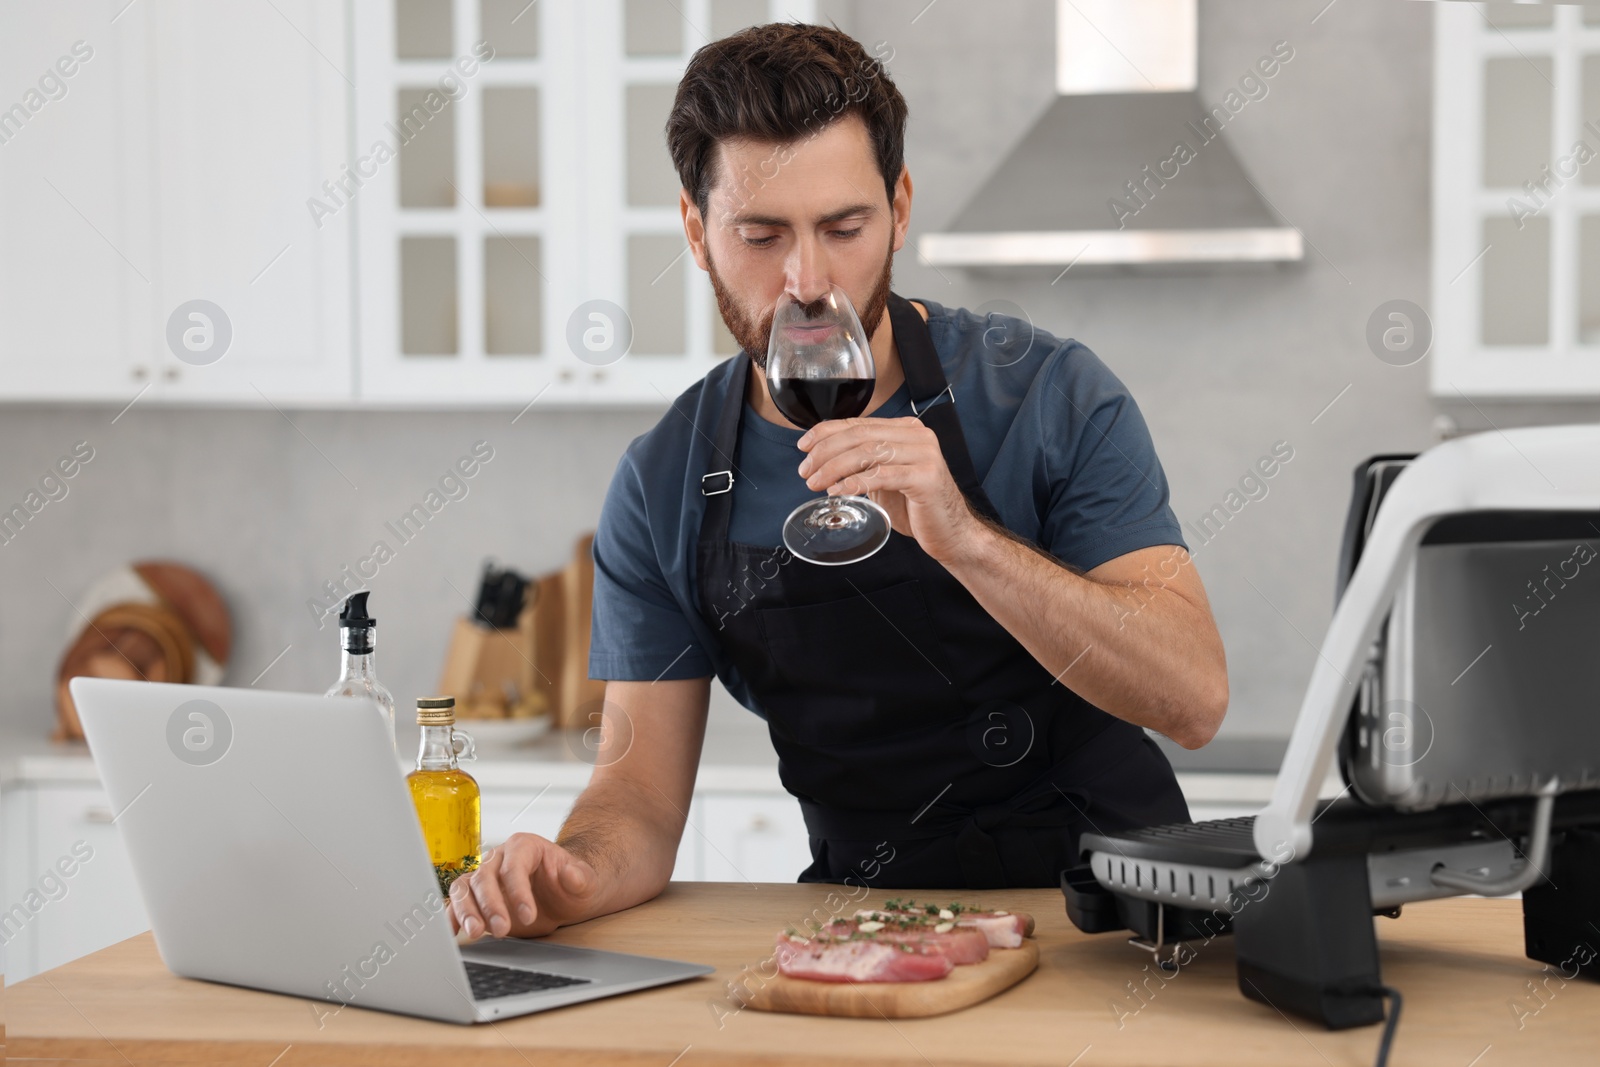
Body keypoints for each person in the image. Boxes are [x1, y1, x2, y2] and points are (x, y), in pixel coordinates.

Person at [448, 21, 1227, 941]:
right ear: (697, 234)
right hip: (871, 931)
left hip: (1118, 920)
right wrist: (573, 870)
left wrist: (970, 542)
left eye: (844, 228)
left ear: (899, 208)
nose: (807, 281)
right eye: (761, 234)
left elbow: (1193, 699)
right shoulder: (664, 480)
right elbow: (638, 795)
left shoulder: (1050, 395)